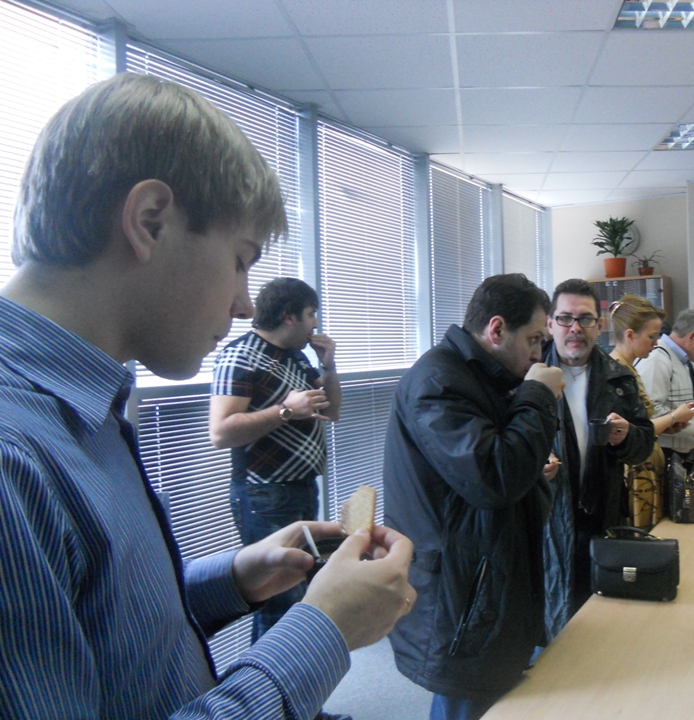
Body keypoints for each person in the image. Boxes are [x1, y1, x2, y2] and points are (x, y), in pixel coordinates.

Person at [0, 72, 415, 719]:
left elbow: (107, 628)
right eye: (241, 260)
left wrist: (235, 578)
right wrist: (325, 631)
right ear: (150, 221)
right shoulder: (12, 456)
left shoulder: (87, 412)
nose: (246, 304)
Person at [382, 273, 564, 720]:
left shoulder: (484, 377)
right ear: (497, 329)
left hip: (481, 580)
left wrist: (531, 467)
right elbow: (493, 478)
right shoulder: (439, 381)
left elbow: (494, 468)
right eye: (534, 339)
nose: (539, 354)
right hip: (461, 594)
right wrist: (538, 395)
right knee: (467, 700)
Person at [210, 277, 342, 647]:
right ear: (289, 316)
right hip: (264, 495)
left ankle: (297, 685)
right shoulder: (240, 355)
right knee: (277, 602)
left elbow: (332, 412)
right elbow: (220, 432)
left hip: (301, 488)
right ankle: (268, 685)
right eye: (311, 314)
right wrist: (286, 410)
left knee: (297, 591)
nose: (315, 323)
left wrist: (329, 367)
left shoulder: (297, 357)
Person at [542, 280, 656, 642]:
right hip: (545, 523)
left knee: (601, 625)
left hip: (602, 516)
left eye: (585, 319)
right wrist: (532, 463)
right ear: (550, 324)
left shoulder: (619, 377)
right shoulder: (525, 377)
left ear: (600, 325)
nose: (575, 328)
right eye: (565, 318)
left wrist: (627, 437)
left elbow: (644, 443)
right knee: (550, 629)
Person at [608, 295, 694, 529]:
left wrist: (671, 425)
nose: (656, 343)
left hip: (646, 465)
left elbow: (642, 422)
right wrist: (674, 416)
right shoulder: (616, 375)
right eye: (651, 337)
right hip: (633, 472)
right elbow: (632, 432)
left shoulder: (629, 369)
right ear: (630, 335)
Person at [637, 308, 694, 468]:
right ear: (691, 336)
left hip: (676, 456)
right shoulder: (657, 359)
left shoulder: (679, 360)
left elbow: (677, 407)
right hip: (661, 456)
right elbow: (648, 413)